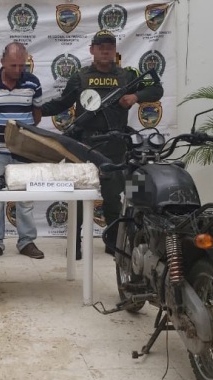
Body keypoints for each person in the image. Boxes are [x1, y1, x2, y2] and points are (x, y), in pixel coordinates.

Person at [41, 29, 164, 258]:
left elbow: (157, 88)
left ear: (115, 50)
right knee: (78, 196)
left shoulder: (128, 76)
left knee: (112, 197)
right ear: (92, 50)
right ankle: (75, 244)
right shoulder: (80, 77)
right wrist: (37, 110)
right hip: (85, 144)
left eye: (110, 47)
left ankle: (113, 242)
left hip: (115, 143)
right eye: (100, 47)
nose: (105, 51)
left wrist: (135, 97)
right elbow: (61, 103)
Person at [0, 42, 44, 260]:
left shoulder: (33, 83)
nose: (18, 70)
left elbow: (37, 115)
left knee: (25, 199)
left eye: (21, 65)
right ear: (2, 61)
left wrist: (22, 137)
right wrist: (0, 134)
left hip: (24, 152)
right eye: (13, 65)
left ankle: (26, 242)